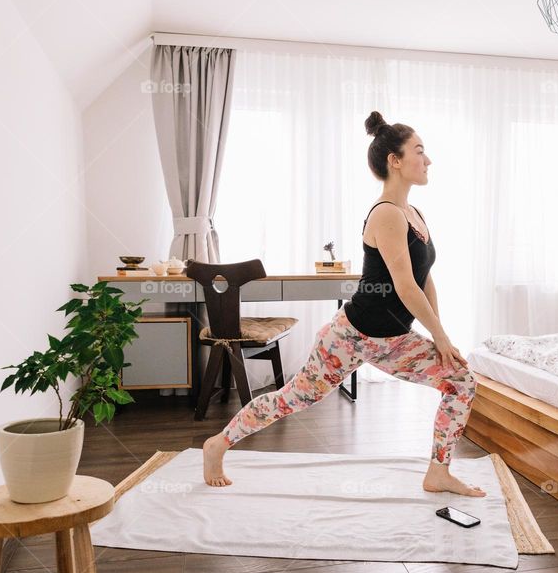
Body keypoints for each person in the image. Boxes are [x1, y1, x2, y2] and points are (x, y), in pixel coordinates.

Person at [202, 110, 484, 497]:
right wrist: (441, 337)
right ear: (395, 161)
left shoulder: (414, 213)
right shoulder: (386, 214)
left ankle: (438, 472)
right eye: (419, 150)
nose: (428, 159)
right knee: (294, 399)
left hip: (394, 339)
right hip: (351, 335)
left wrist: (439, 337)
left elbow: (425, 278)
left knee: (461, 381)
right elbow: (404, 287)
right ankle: (218, 444)